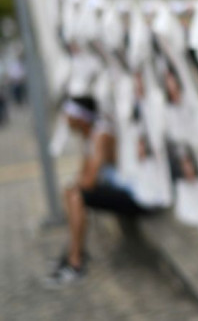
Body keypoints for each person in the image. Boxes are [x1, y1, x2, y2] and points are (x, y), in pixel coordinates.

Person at [45, 96, 151, 287]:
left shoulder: (100, 136)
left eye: (68, 114)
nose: (65, 119)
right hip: (120, 190)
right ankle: (73, 253)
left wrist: (77, 186)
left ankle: (76, 263)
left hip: (137, 196)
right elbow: (83, 176)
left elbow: (89, 182)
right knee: (71, 192)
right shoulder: (90, 135)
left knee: (76, 196)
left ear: (80, 117)